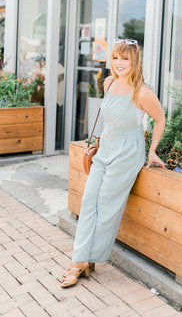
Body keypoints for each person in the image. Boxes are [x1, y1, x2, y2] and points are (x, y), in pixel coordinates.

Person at [61, 39, 166, 288]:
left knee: (107, 205)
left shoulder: (142, 91)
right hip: (105, 149)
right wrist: (95, 141)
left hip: (128, 153)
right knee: (88, 201)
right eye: (116, 58)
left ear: (134, 61)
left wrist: (152, 150)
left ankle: (81, 261)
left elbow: (160, 119)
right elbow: (105, 118)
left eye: (125, 59)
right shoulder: (108, 83)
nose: (119, 63)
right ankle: (82, 258)